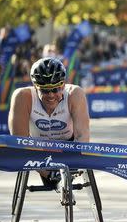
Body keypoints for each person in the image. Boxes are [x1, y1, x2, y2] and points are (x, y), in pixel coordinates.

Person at [8, 57, 90, 188]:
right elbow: (19, 143)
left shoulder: (75, 94)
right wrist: (47, 172)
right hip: (38, 152)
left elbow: (82, 137)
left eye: (56, 89)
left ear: (63, 84)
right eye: (44, 90)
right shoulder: (22, 97)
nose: (51, 95)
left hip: (69, 149)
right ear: (35, 86)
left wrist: (71, 166)